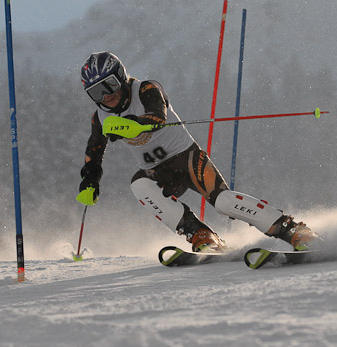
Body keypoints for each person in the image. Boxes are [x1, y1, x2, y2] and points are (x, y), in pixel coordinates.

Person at [76, 51, 319, 253]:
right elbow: (94, 152)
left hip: (187, 158)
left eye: (109, 85)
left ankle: (293, 230)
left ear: (121, 77)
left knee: (223, 201)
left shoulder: (146, 89)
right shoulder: (101, 117)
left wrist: (130, 125)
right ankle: (201, 235)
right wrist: (90, 181)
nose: (106, 96)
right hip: (156, 172)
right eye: (96, 92)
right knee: (139, 186)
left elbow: (157, 116)